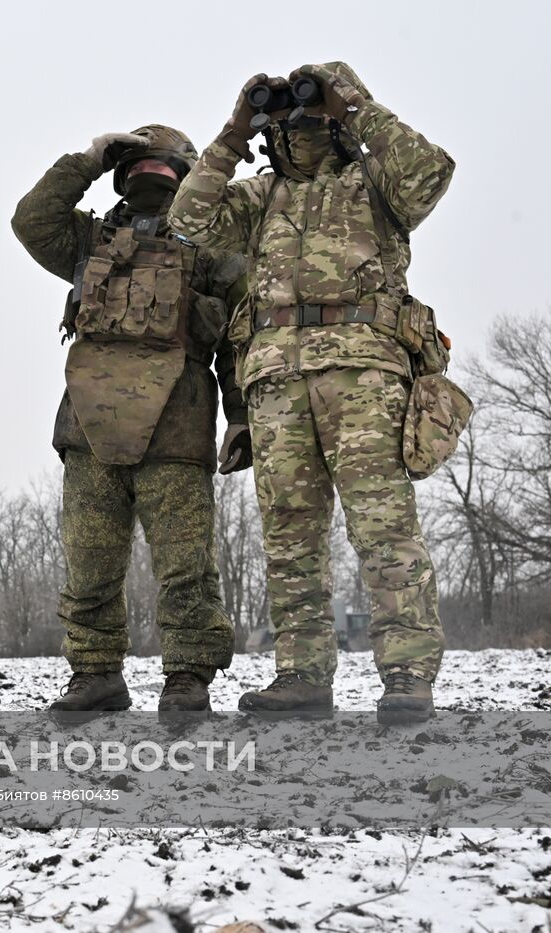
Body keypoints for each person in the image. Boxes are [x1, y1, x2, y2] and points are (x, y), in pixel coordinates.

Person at [167, 62, 455, 722]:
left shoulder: (376, 184)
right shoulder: (257, 197)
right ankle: (302, 675)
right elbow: (189, 220)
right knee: (289, 536)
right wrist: (235, 130)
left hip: (362, 372)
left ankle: (408, 673)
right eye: (289, 114)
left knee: (382, 523)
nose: (300, 123)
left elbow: (430, 172)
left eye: (313, 109)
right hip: (274, 381)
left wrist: (355, 104)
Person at [12, 125, 247, 714]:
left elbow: (240, 341)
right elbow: (31, 221)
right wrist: (88, 159)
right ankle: (95, 674)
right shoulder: (89, 240)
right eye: (141, 166)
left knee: (185, 567)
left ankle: (188, 679)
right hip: (89, 430)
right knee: (89, 562)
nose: (153, 179)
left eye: (165, 169)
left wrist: (242, 419)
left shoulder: (216, 250)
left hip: (178, 429)